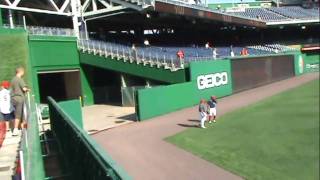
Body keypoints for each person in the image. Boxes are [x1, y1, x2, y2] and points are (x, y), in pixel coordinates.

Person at [11, 67, 29, 136]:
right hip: (19, 98)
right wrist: (28, 89)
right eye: (23, 72)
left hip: (13, 99)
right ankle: (15, 130)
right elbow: (24, 89)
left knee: (20, 114)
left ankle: (23, 129)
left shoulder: (13, 79)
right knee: (19, 115)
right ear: (21, 72)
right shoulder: (19, 79)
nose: (23, 73)